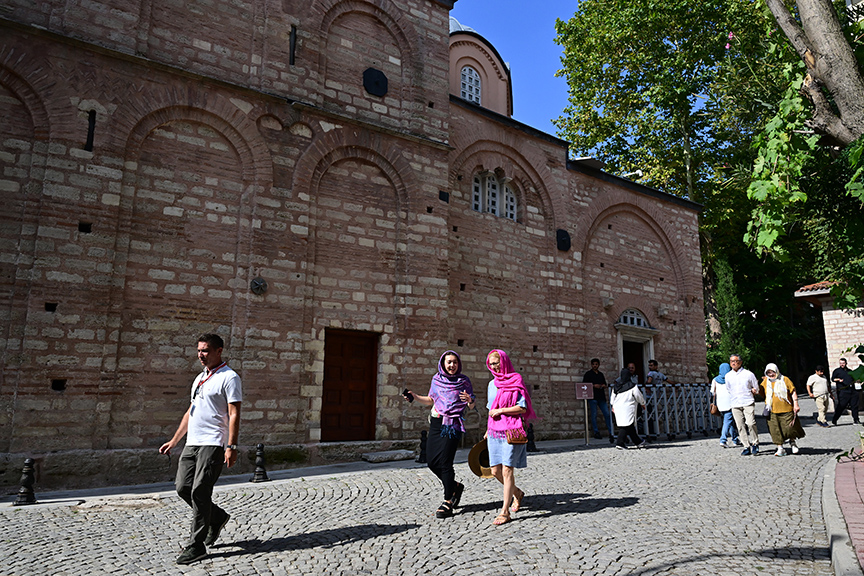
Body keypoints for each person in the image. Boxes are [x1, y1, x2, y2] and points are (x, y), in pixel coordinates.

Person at [159, 334, 242, 565]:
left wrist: (231, 446)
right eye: (198, 350)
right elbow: (190, 412)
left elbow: (234, 413)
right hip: (192, 443)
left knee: (200, 491)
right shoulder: (199, 378)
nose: (200, 355)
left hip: (214, 442)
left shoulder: (230, 377)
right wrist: (175, 440)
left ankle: (196, 545)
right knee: (183, 487)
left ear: (219, 351)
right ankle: (217, 518)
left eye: (205, 350)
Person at [402, 350, 475, 519]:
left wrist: (469, 400)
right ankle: (455, 486)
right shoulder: (436, 380)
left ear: (459, 364)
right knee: (431, 462)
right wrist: (415, 397)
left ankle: (448, 500)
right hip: (436, 423)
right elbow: (431, 399)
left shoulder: (464, 381)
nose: (452, 365)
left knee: (445, 462)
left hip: (452, 424)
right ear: (443, 363)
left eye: (455, 362)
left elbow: (472, 405)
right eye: (449, 362)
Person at [485, 349, 536, 526]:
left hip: (510, 430)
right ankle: (518, 493)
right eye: (491, 364)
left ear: (504, 361)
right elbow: (489, 409)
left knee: (507, 470)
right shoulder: (491, 384)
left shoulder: (516, 380)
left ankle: (505, 511)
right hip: (494, 431)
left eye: (496, 362)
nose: (494, 366)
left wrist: (502, 410)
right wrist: (487, 429)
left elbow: (522, 408)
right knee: (495, 472)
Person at [760, 363, 804, 456]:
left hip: (786, 409)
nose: (771, 374)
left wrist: (795, 404)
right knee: (775, 430)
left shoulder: (785, 379)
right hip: (771, 410)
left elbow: (793, 391)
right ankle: (780, 448)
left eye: (772, 372)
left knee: (789, 429)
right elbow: (761, 392)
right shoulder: (765, 382)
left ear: (777, 371)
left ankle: (793, 443)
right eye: (768, 372)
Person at [726, 354, 760, 456]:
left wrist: (754, 391)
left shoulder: (748, 374)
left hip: (747, 401)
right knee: (740, 425)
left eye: (735, 361)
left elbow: (756, 388)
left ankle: (755, 442)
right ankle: (746, 446)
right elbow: (728, 389)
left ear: (740, 362)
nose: (733, 363)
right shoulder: (728, 376)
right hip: (735, 403)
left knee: (750, 423)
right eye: (731, 361)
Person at [610, 363, 647, 450]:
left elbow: (612, 399)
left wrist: (613, 406)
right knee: (626, 426)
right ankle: (620, 443)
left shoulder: (616, 387)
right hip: (628, 407)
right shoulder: (633, 386)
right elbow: (638, 396)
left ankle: (638, 441)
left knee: (629, 425)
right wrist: (642, 403)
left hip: (618, 408)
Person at [583, 358, 613, 443]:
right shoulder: (588, 374)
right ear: (591, 365)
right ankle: (596, 432)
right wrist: (593, 386)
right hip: (592, 397)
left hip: (601, 397)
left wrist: (603, 386)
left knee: (607, 414)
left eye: (596, 364)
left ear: (598, 365)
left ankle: (611, 432)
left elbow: (604, 384)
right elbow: (584, 384)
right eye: (593, 364)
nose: (595, 366)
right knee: (594, 414)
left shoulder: (601, 374)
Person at [710, 363, 740, 448]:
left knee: (729, 421)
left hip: (720, 404)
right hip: (730, 403)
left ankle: (735, 439)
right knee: (727, 421)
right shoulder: (731, 378)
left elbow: (712, 392)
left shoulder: (715, 379)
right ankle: (723, 439)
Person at [831, 358, 860, 426]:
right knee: (842, 406)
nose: (842, 364)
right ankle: (834, 419)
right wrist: (838, 380)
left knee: (854, 406)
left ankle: (856, 419)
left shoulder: (850, 371)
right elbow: (833, 379)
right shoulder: (837, 371)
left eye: (843, 363)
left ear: (846, 363)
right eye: (841, 363)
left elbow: (854, 379)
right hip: (843, 391)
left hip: (852, 391)